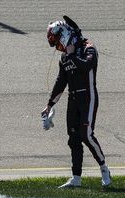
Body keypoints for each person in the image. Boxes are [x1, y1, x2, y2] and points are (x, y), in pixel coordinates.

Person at [42, 16, 111, 188]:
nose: (59, 47)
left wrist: (72, 55)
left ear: (64, 35)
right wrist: (50, 104)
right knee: (73, 139)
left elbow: (87, 66)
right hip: (73, 99)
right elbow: (61, 82)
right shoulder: (66, 56)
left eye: (58, 42)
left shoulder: (88, 47)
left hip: (88, 97)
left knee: (86, 134)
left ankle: (104, 168)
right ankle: (76, 178)